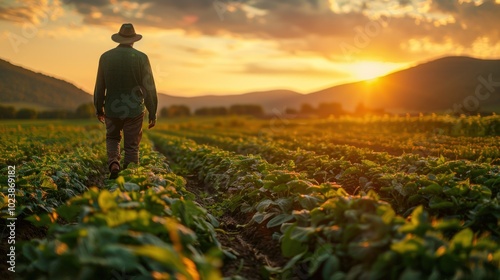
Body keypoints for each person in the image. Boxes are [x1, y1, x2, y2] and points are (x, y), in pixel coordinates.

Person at [93, 23, 158, 179]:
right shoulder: (142, 58)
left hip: (112, 108)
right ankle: (130, 178)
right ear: (134, 40)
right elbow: (149, 87)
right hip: (134, 109)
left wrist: (98, 108)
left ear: (118, 39)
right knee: (132, 145)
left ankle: (114, 163)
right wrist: (153, 112)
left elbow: (100, 86)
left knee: (113, 137)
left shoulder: (105, 57)